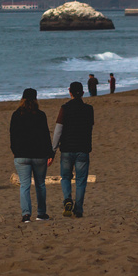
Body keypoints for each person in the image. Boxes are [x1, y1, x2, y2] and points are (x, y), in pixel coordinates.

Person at [9, 87, 53, 224]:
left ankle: (26, 214)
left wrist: (15, 151)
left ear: (22, 99)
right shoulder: (40, 115)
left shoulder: (16, 115)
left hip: (21, 155)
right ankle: (41, 213)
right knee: (40, 184)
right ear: (35, 99)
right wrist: (50, 153)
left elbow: (13, 136)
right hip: (39, 155)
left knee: (25, 185)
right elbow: (46, 136)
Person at [54, 80, 95, 218]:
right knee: (81, 180)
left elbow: (58, 131)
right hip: (83, 148)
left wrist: (53, 149)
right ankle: (78, 209)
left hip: (66, 148)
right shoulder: (89, 109)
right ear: (83, 93)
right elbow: (89, 127)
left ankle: (67, 199)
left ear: (69, 91)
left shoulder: (64, 108)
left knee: (65, 177)